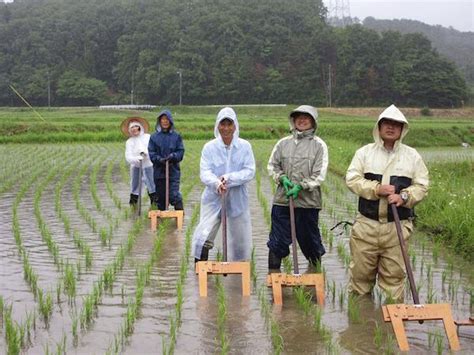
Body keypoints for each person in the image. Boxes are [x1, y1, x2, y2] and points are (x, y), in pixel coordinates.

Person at [345, 104, 429, 300]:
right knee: (360, 279)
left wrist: (404, 197)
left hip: (397, 229)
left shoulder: (412, 156)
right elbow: (352, 179)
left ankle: (392, 327)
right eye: (387, 123)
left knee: (394, 281)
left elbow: (422, 185)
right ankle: (359, 325)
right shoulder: (364, 153)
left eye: (396, 124)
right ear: (379, 127)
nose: (391, 127)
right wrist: (376, 189)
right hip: (367, 226)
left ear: (402, 129)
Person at [267, 105, 328, 271]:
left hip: (307, 203)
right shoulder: (282, 143)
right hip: (283, 200)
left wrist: (301, 186)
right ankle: (274, 280)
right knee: (277, 241)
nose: (302, 120)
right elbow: (272, 166)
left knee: (310, 242)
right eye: (298, 117)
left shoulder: (319, 146)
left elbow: (319, 175)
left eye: (306, 117)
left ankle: (314, 280)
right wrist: (282, 178)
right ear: (293, 121)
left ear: (313, 122)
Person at [192, 107, 255, 262]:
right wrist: (216, 183)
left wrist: (229, 178)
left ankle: (237, 276)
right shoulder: (209, 147)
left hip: (237, 197)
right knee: (204, 234)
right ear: (217, 126)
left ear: (235, 126)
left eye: (229, 124)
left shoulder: (244, 146)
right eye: (222, 124)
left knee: (239, 238)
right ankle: (200, 272)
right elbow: (205, 172)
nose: (226, 128)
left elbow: (249, 171)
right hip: (214, 197)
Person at [148, 109, 185, 211]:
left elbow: (180, 151)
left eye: (167, 119)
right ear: (159, 121)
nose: (165, 121)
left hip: (173, 171)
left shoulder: (176, 136)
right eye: (163, 119)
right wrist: (159, 159)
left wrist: (173, 156)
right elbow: (151, 153)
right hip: (159, 172)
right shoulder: (154, 137)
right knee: (161, 198)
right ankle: (162, 223)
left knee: (174, 195)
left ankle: (180, 219)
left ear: (170, 121)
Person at [122, 117, 157, 207]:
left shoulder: (148, 137)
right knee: (135, 185)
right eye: (131, 128)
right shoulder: (129, 142)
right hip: (136, 166)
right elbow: (128, 156)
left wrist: (145, 153)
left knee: (151, 184)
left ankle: (154, 204)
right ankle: (133, 205)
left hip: (148, 164)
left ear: (140, 127)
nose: (134, 129)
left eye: (136, 127)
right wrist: (137, 159)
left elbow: (153, 150)